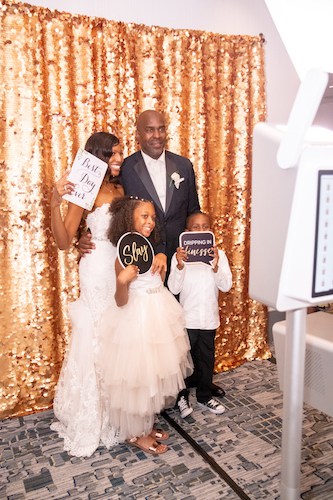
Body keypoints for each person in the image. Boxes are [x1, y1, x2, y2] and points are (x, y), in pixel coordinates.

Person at [77, 110, 225, 397]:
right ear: (139, 134)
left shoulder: (184, 164)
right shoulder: (125, 168)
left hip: (181, 257)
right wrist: (82, 238)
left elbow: (193, 208)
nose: (156, 135)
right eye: (149, 130)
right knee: (152, 331)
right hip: (144, 261)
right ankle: (166, 394)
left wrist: (202, 243)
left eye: (161, 129)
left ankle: (197, 381)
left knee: (188, 322)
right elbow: (104, 210)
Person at [99, 196, 193, 455]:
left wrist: (161, 257)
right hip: (135, 319)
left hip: (158, 315)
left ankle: (146, 425)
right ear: (129, 219)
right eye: (144, 216)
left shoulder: (150, 248)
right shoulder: (123, 255)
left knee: (154, 376)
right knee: (138, 378)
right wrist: (121, 281)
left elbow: (157, 280)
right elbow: (120, 302)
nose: (150, 222)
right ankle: (135, 433)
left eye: (153, 217)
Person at [50, 132, 124, 457]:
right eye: (115, 155)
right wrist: (54, 200)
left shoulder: (122, 187)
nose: (120, 159)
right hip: (95, 271)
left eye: (121, 153)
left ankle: (119, 411)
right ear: (100, 156)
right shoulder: (86, 186)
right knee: (96, 337)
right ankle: (93, 414)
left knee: (117, 337)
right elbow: (65, 240)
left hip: (120, 269)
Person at [168, 212, 232, 418]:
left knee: (206, 360)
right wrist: (178, 266)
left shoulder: (219, 255)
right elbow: (173, 288)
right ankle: (182, 397)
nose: (201, 229)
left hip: (208, 319)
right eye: (196, 227)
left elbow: (226, 285)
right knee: (184, 361)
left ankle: (204, 396)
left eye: (205, 226)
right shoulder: (180, 257)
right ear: (187, 232)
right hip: (187, 319)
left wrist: (215, 267)